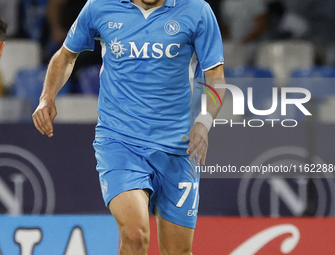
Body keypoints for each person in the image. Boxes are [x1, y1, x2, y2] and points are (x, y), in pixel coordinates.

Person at [32, 0, 226, 254]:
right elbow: (67, 55)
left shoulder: (197, 10)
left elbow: (216, 77)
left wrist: (203, 122)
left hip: (179, 148)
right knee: (135, 236)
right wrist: (47, 97)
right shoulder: (99, 6)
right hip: (120, 142)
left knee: (177, 251)